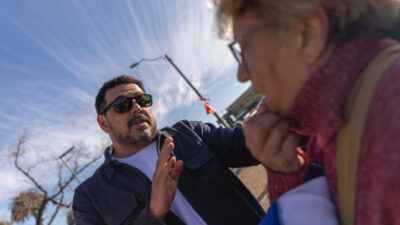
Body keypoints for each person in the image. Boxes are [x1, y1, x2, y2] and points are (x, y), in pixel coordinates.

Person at [215, 0, 400, 224]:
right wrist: (286, 171)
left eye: (244, 47)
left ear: (308, 34)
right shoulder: (322, 137)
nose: (241, 74)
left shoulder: (390, 114)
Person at [72, 75, 264, 225]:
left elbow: (252, 145)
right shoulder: (89, 196)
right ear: (103, 123)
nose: (137, 108)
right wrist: (153, 213)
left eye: (142, 99)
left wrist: (266, 123)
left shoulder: (189, 133)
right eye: (122, 105)